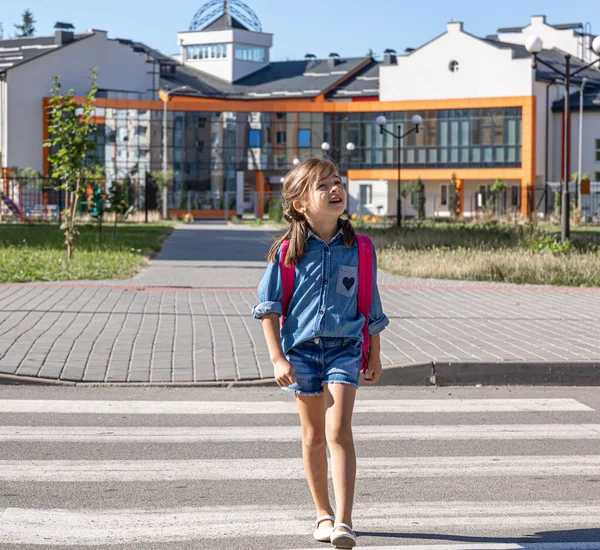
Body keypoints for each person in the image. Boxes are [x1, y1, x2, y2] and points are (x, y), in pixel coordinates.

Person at [252, 158, 389, 548]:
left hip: (346, 349)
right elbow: (269, 306)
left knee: (338, 430)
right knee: (313, 435)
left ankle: (345, 521)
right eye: (323, 185)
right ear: (299, 204)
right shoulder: (288, 251)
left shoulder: (360, 248)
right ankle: (323, 514)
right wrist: (278, 358)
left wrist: (374, 353)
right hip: (302, 353)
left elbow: (370, 304)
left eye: (337, 182)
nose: (335, 190)